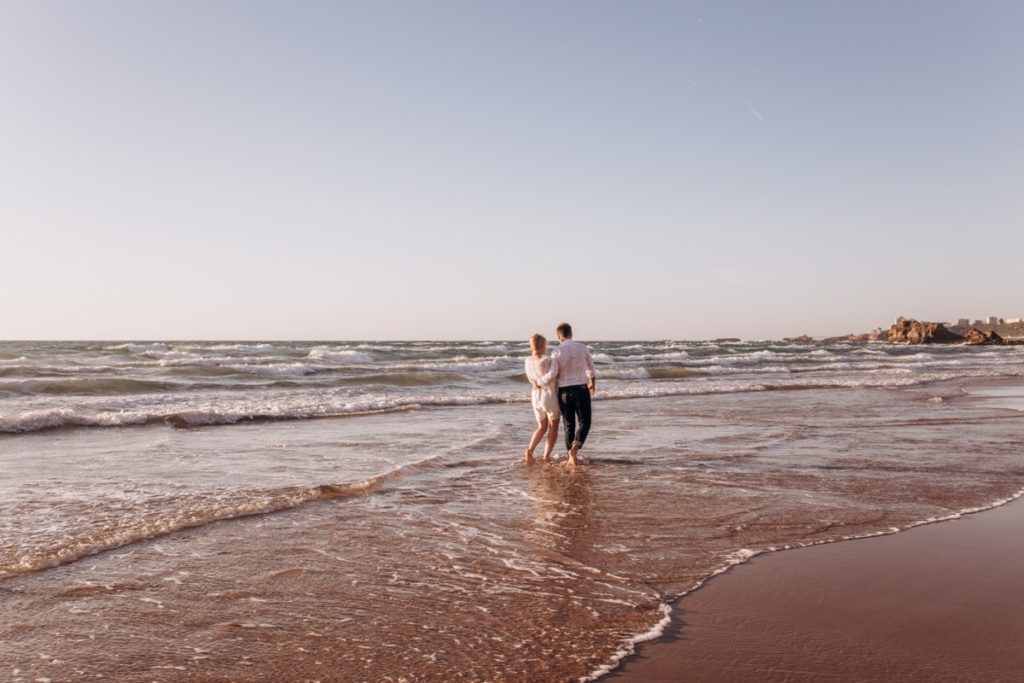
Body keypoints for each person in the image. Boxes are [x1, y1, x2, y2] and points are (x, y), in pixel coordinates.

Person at [540, 322, 595, 467]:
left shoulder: (557, 351)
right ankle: (575, 449)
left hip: (564, 391)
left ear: (558, 336)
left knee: (568, 425)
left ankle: (571, 456)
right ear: (571, 334)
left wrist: (540, 382)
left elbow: (553, 373)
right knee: (585, 422)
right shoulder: (583, 348)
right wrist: (592, 383)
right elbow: (590, 368)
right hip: (581, 389)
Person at [523, 333, 560, 464]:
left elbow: (530, 378)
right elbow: (553, 374)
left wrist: (536, 382)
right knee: (553, 428)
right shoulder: (547, 360)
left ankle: (530, 450)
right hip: (548, 395)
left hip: (535, 396)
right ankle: (546, 456)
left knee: (541, 427)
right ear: (543, 345)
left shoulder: (527, 360)